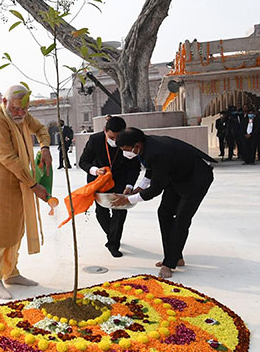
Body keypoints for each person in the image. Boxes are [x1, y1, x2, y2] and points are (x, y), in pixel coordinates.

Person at [0, 85, 52, 299]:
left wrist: (45, 148)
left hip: (18, 179)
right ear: (5, 102)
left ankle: (11, 272)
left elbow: (41, 130)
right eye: (16, 109)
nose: (20, 114)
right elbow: (8, 158)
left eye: (24, 110)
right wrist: (34, 185)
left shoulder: (22, 115)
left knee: (16, 225)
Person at [112, 128, 215, 279]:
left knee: (181, 219)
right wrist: (139, 188)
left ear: (137, 145)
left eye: (126, 149)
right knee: (164, 212)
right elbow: (150, 169)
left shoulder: (158, 151)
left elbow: (155, 189)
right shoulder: (146, 146)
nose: (125, 152)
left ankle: (169, 263)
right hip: (177, 176)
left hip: (197, 178)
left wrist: (128, 200)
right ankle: (175, 256)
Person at [78, 116, 141, 258]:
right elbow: (84, 161)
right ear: (105, 130)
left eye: (119, 137)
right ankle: (112, 234)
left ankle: (113, 244)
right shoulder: (95, 140)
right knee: (101, 213)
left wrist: (129, 185)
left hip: (120, 181)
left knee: (119, 212)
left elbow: (134, 167)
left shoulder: (128, 141)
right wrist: (95, 170)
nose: (115, 141)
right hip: (100, 181)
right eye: (112, 137)